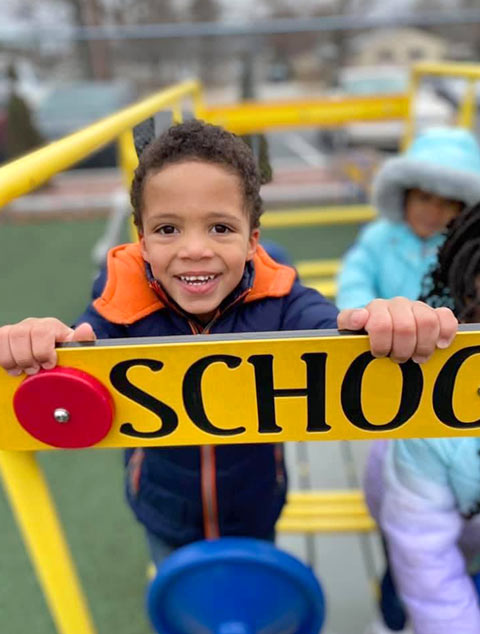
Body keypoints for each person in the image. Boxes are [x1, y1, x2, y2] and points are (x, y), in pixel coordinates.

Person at [0, 120, 457, 568]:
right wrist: (40, 342)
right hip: (163, 506)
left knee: (255, 586)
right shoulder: (120, 302)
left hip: (254, 503)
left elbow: (339, 331)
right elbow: (76, 348)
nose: (194, 249)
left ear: (251, 241)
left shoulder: (281, 300)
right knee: (180, 595)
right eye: (167, 229)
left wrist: (385, 318)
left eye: (220, 228)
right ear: (141, 242)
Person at [364, 202, 480, 634]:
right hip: (409, 499)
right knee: (403, 575)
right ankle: (389, 622)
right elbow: (422, 553)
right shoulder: (432, 415)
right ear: (468, 301)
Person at [336, 127, 480, 310]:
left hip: (451, 336)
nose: (433, 211)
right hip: (382, 334)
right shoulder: (377, 238)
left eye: (448, 203)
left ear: (463, 210)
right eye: (424, 198)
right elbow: (354, 284)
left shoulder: (469, 249)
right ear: (404, 197)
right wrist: (367, 315)